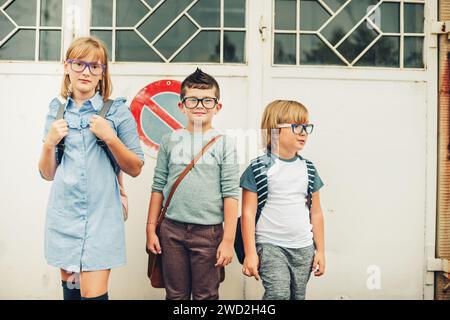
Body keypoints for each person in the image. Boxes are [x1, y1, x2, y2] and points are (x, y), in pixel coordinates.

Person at [38, 36, 144, 300]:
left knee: (93, 295)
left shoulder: (117, 112)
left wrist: (110, 137)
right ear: (66, 67)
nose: (86, 72)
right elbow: (47, 173)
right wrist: (49, 143)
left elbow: (135, 167)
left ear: (102, 73)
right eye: (79, 64)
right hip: (65, 220)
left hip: (102, 220)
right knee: (72, 295)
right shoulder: (56, 112)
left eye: (94, 66)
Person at [146, 68, 239, 300]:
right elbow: (158, 186)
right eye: (193, 100)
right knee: (175, 295)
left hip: (209, 233)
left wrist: (228, 240)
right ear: (182, 106)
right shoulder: (169, 141)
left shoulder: (225, 144)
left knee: (205, 295)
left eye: (207, 100)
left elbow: (230, 194)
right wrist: (150, 229)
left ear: (217, 107)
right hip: (171, 231)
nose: (200, 105)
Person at [240, 100, 325, 300]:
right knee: (278, 295)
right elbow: (248, 213)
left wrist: (320, 250)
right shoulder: (259, 168)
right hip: (271, 246)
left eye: (306, 127)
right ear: (274, 131)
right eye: (296, 127)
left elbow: (317, 212)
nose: (303, 132)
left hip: (304, 248)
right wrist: (250, 253)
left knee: (297, 297)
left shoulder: (309, 169)